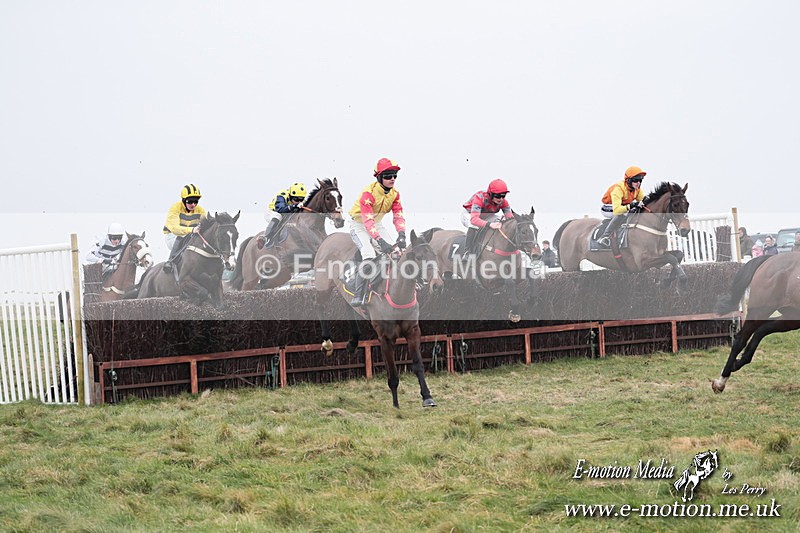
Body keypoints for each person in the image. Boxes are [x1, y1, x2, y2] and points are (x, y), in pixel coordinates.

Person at [347, 157, 407, 307]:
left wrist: (402, 233)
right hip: (359, 225)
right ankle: (359, 293)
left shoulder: (395, 194)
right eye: (388, 176)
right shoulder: (368, 193)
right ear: (379, 177)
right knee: (369, 254)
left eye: (394, 175)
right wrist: (379, 240)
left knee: (395, 252)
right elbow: (367, 221)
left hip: (377, 224)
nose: (392, 179)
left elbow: (398, 215)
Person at [597, 166, 647, 248]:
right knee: (623, 213)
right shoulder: (618, 189)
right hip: (608, 208)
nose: (638, 183)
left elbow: (643, 201)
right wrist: (632, 205)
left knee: (634, 211)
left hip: (621, 206)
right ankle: (604, 237)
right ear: (628, 180)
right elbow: (617, 211)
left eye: (640, 180)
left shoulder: (637, 189)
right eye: (635, 180)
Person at [461, 179, 513, 256]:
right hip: (469, 215)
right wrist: (490, 224)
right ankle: (467, 252)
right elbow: (474, 220)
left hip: (486, 217)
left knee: (500, 222)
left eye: (503, 196)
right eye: (498, 196)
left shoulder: (504, 202)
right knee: (474, 225)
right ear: (490, 194)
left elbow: (510, 220)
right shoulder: (480, 197)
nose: (501, 199)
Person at [162, 184, 207, 273]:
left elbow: (205, 225)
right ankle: (170, 261)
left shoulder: (200, 210)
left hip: (190, 234)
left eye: (196, 201)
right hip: (173, 236)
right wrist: (191, 230)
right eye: (190, 201)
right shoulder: (175, 208)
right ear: (183, 200)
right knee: (182, 237)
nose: (193, 204)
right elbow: (175, 229)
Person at [256, 182, 307, 249]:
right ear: (290, 195)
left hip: (285, 216)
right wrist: (294, 206)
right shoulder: (282, 196)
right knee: (278, 216)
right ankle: (265, 238)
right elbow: (280, 209)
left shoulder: (300, 202)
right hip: (273, 212)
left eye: (301, 199)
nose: (299, 202)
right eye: (296, 199)